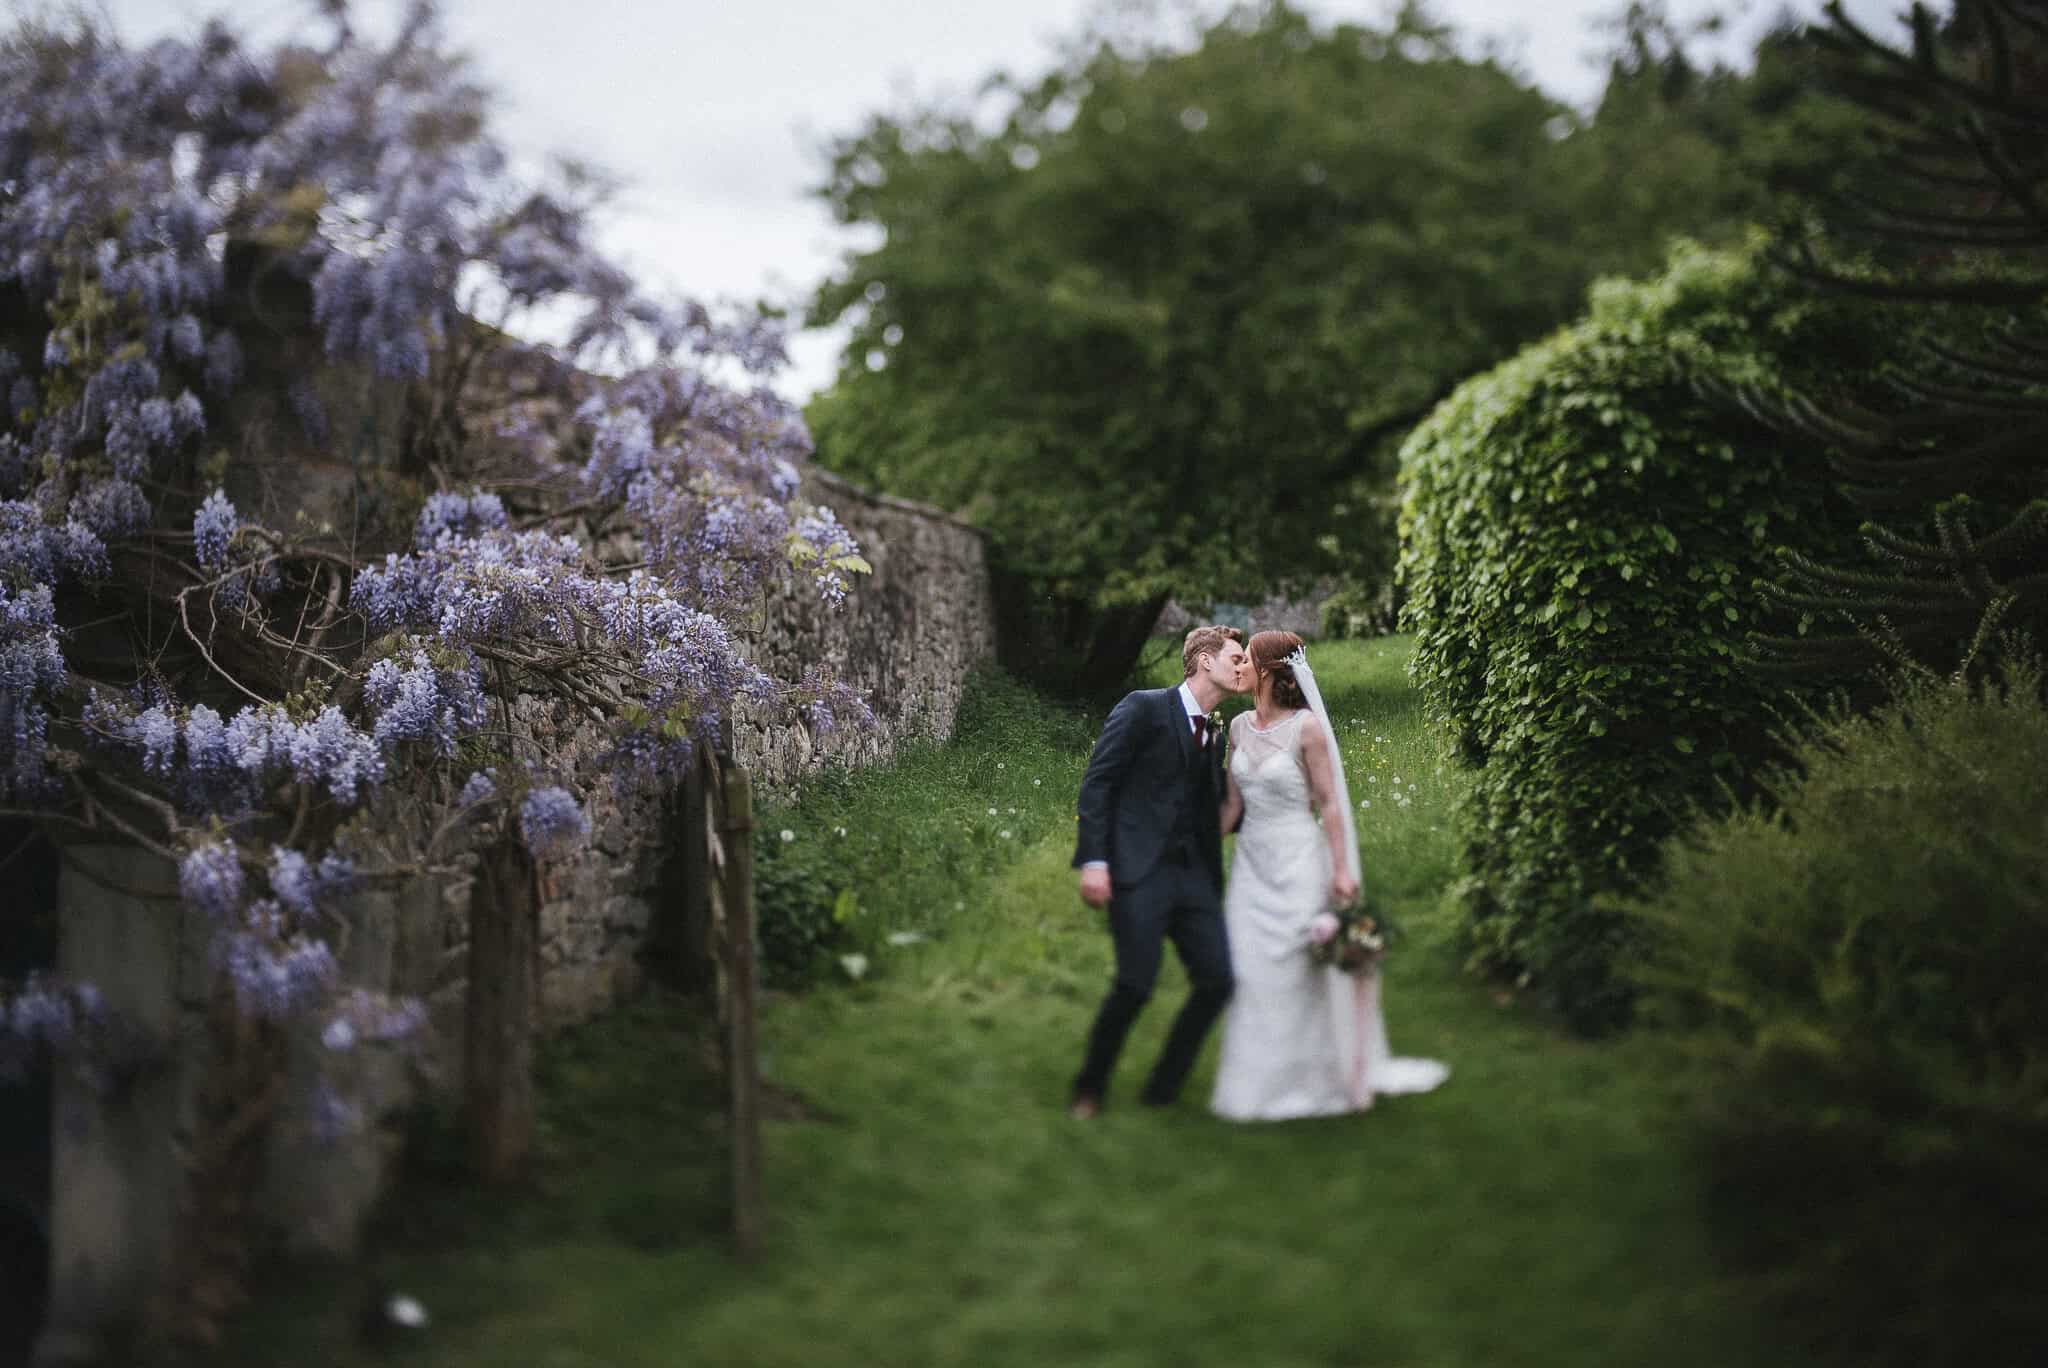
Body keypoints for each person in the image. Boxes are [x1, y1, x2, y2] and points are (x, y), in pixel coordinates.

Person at [1209, 630, 1448, 1121]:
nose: (1240, 667)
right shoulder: (1235, 729)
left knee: (1300, 972)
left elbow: (1330, 804)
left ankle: (1314, 1080)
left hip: (1298, 861)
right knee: (1252, 973)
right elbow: (1232, 806)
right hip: (1252, 870)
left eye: (1247, 660)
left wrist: (1341, 870)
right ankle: (1255, 1085)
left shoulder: (1306, 729)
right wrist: (1189, 843)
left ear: (1271, 670)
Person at [1068, 624, 1250, 1119]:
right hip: (1138, 870)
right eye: (1236, 657)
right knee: (1135, 984)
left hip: (1194, 878)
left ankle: (1162, 1090)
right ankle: (1089, 1087)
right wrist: (1096, 861)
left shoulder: (1216, 733)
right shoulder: (1143, 707)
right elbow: (1098, 785)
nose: (1243, 666)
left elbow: (1217, 810)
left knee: (1218, 981)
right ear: (1205, 661)